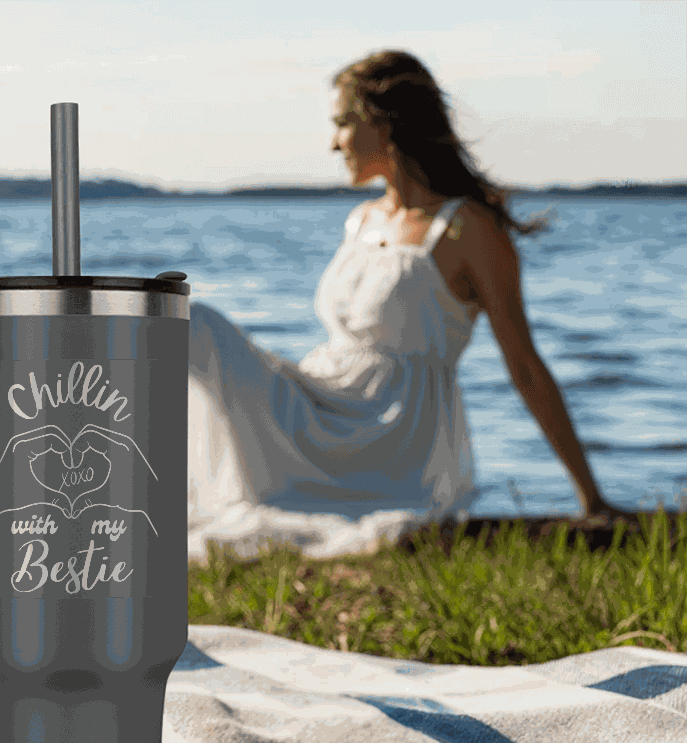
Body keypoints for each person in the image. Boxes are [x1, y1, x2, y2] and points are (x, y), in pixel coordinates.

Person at [186, 49, 634, 566]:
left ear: (385, 123)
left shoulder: (467, 229)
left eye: (343, 124)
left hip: (391, 440)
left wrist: (591, 497)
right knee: (184, 323)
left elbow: (525, 366)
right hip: (318, 406)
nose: (333, 143)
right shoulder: (362, 221)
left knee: (194, 323)